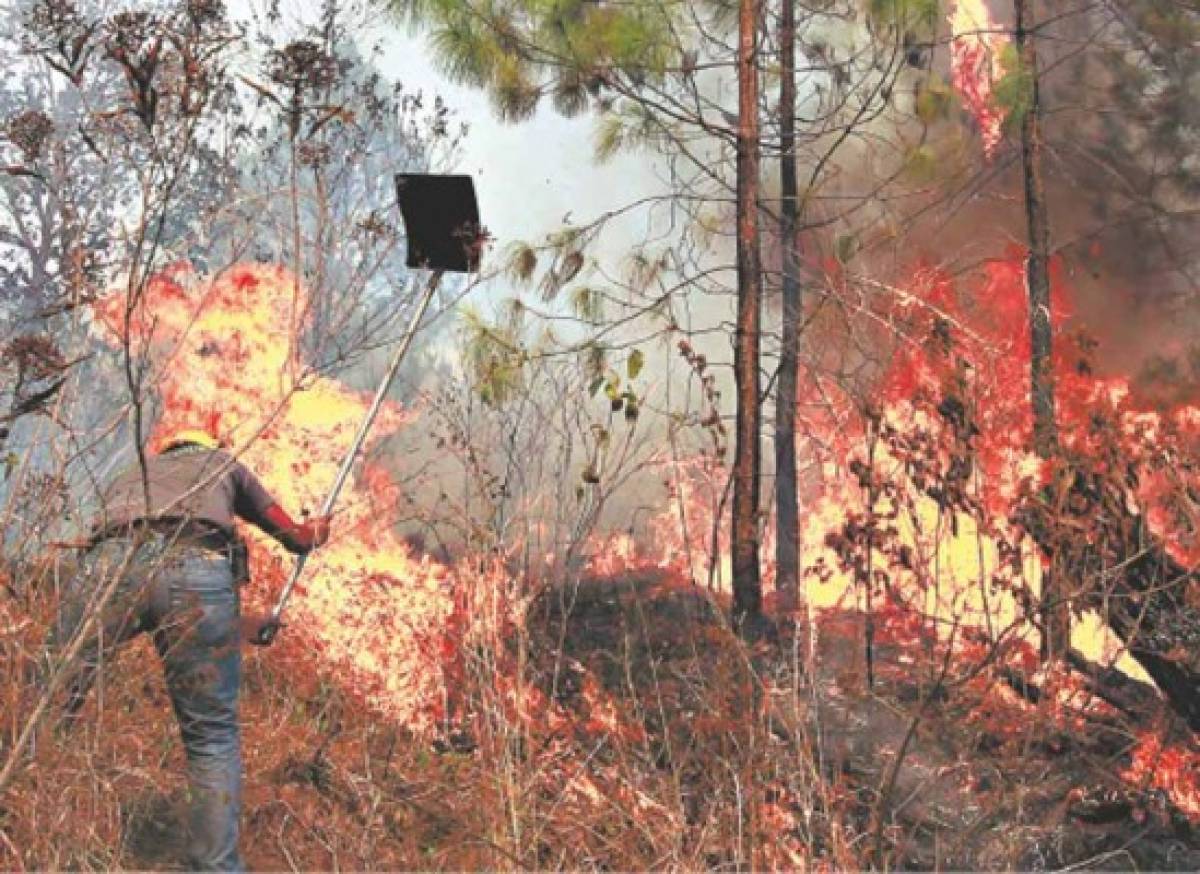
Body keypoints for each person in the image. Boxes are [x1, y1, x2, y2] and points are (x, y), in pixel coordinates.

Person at [44, 426, 331, 872]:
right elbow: (290, 535)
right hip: (197, 564)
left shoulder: (136, 471)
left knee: (50, 697)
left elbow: (150, 573)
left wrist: (243, 625)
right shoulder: (225, 465)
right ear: (209, 446)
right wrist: (314, 531)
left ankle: (25, 820)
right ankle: (215, 867)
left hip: (107, 564)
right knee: (211, 738)